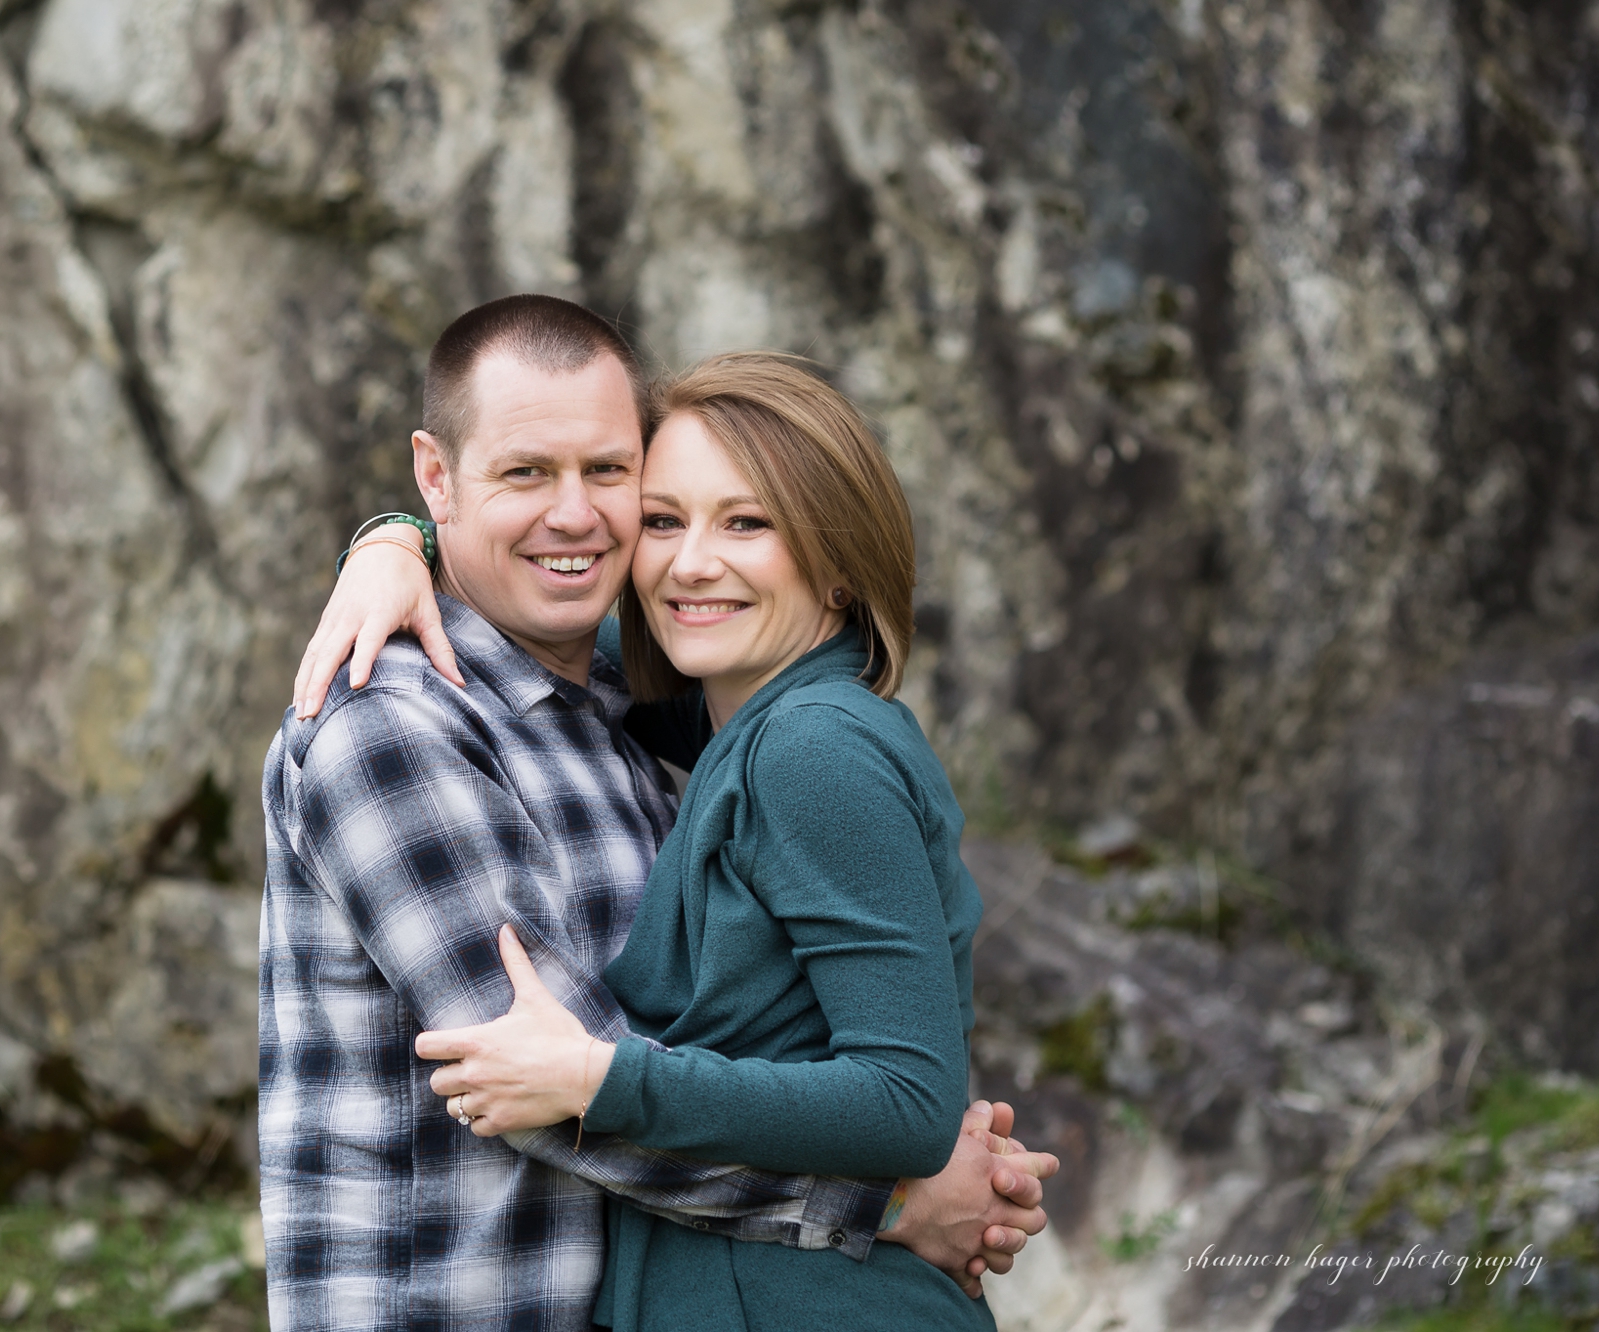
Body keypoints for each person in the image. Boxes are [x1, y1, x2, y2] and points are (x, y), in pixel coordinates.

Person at [261, 296, 1054, 1332]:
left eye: (609, 473)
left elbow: (602, 1078)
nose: (583, 517)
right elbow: (552, 1092)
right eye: (525, 473)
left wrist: (399, 540)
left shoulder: (680, 715)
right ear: (435, 475)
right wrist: (891, 1203)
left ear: (837, 558)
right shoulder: (402, 730)